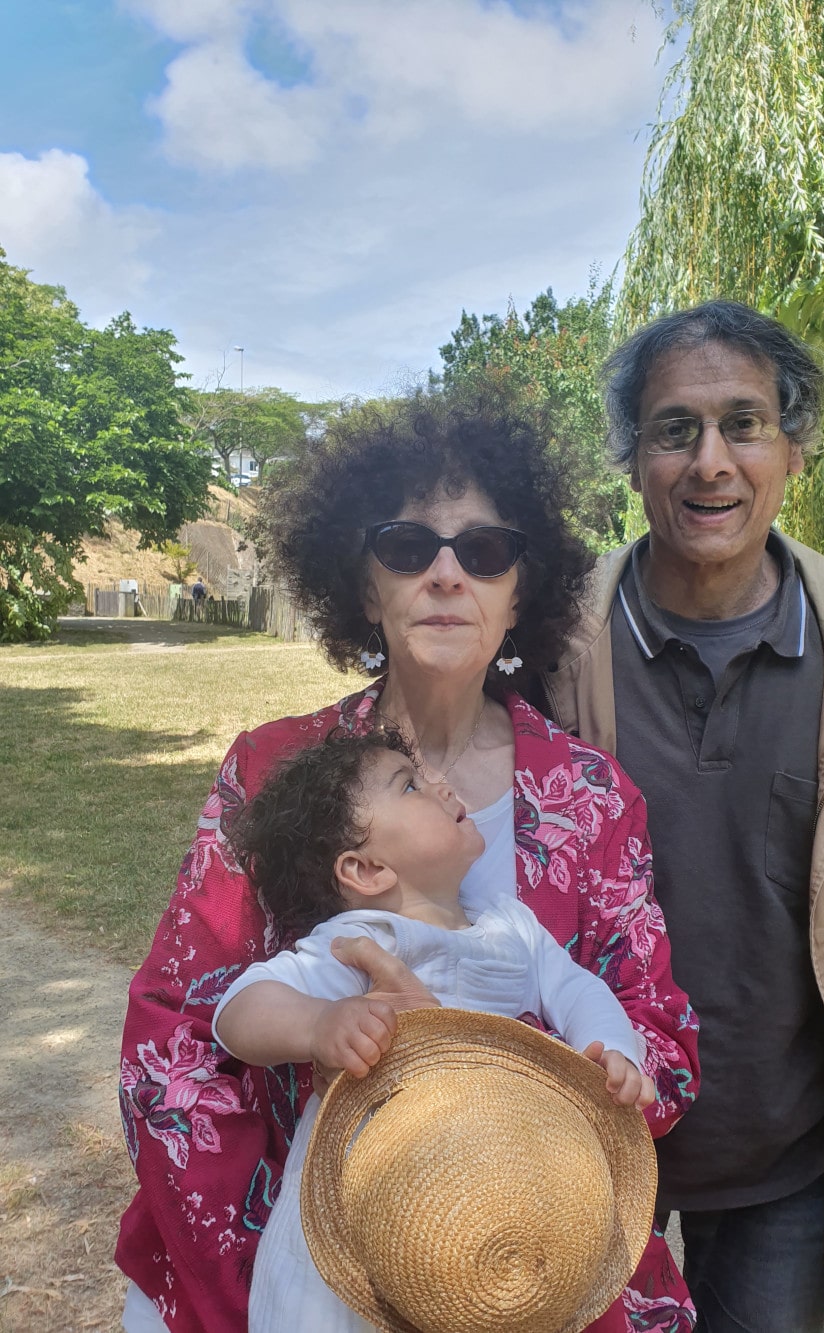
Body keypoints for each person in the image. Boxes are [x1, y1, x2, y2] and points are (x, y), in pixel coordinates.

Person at [116, 388, 700, 1333]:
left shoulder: (595, 799)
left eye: (483, 550)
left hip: (514, 1266)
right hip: (294, 1260)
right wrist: (264, 1276)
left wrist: (483, 1081)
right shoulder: (271, 773)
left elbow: (659, 1039)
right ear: (362, 585)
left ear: (521, 590)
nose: (444, 574)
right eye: (405, 545)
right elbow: (173, 1040)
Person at [540, 299, 824, 1333]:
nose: (710, 460)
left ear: (793, 449)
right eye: (674, 430)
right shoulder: (550, 656)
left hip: (786, 1161)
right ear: (633, 460)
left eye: (742, 423)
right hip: (583, 1139)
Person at [214, 726, 655, 1331]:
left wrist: (608, 1050)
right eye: (412, 785)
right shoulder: (362, 942)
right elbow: (239, 1008)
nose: (441, 784)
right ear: (366, 870)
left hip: (489, 1193)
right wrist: (320, 1023)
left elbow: (577, 987)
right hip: (368, 1204)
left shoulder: (510, 925)